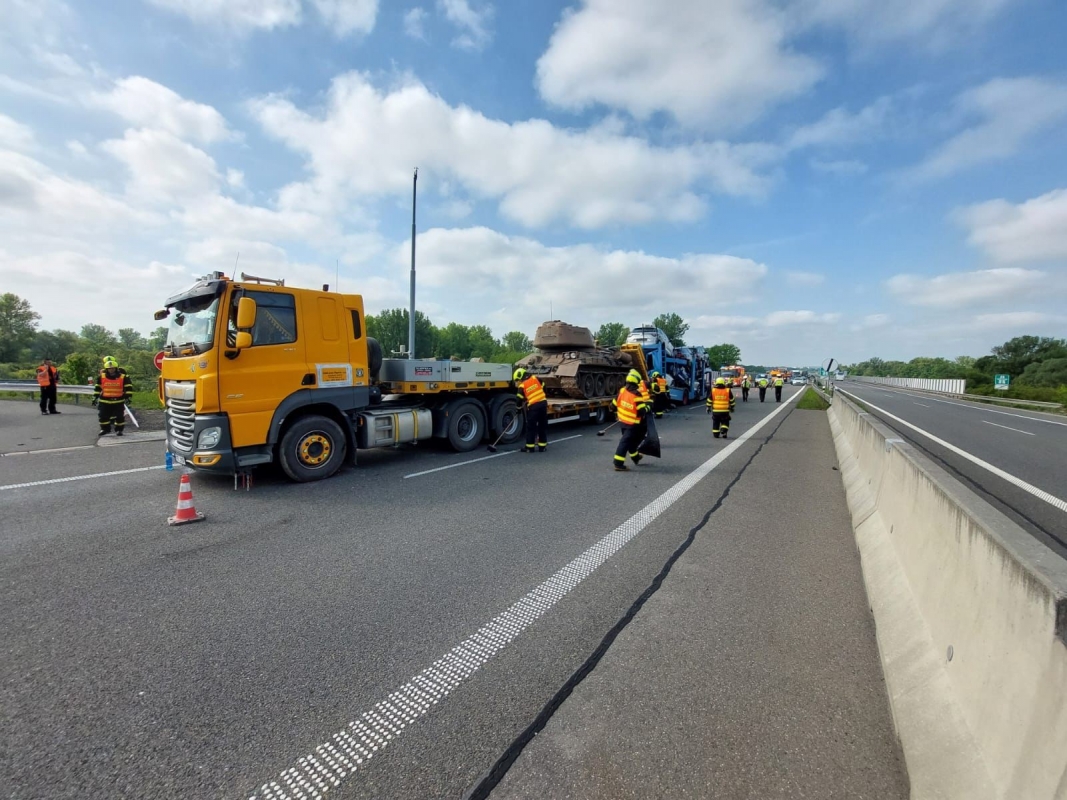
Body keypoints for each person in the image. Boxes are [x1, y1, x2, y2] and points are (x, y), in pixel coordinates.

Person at [611, 370, 651, 471]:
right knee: (625, 442)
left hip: (623, 422)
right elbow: (642, 412)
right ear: (636, 381)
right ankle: (618, 463)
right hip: (633, 424)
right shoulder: (636, 395)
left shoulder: (622, 391)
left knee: (629, 441)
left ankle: (635, 457)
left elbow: (613, 406)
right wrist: (649, 407)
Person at [93, 356, 133, 436]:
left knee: (119, 417)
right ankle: (105, 429)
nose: (111, 370)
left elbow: (128, 387)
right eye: (109, 369)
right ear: (106, 369)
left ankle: (119, 430)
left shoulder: (123, 377)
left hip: (118, 401)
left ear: (116, 368)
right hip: (104, 401)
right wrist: (95, 397)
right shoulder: (102, 377)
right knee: (103, 416)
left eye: (113, 368)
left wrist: (128, 397)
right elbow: (98, 388)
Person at [513, 367, 548, 453]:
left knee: (531, 427)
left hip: (533, 407)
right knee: (542, 426)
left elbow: (518, 399)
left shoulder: (522, 386)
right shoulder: (536, 378)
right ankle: (542, 447)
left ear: (520, 377)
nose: (518, 382)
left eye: (517, 380)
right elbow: (544, 387)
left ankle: (530, 447)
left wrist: (518, 409)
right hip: (543, 404)